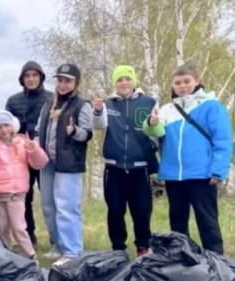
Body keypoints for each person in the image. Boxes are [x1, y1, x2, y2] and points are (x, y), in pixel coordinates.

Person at [143, 65, 232, 255]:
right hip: (174, 176)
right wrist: (151, 123)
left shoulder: (211, 106)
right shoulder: (167, 109)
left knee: (207, 221)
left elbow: (223, 140)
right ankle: (181, 257)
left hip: (202, 175)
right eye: (178, 83)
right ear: (172, 86)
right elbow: (156, 131)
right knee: (177, 222)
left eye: (186, 81)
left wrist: (218, 170)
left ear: (197, 81)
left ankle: (216, 260)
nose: (182, 86)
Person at [92, 65, 157, 257]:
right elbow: (98, 125)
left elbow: (157, 131)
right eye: (120, 80)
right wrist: (97, 110)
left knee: (142, 210)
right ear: (115, 83)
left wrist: (153, 140)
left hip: (139, 168)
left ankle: (143, 246)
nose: (124, 83)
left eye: (127, 79)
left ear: (133, 81)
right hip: (114, 167)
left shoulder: (149, 102)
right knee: (115, 210)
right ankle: (118, 249)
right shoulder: (108, 104)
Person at [36, 63, 96, 265]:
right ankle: (58, 245)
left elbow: (87, 134)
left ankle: (72, 251)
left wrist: (75, 132)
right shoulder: (48, 104)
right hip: (47, 163)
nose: (62, 84)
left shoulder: (82, 105)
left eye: (67, 81)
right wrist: (33, 146)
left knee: (66, 207)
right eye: (60, 80)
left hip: (69, 163)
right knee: (48, 206)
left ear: (76, 83)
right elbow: (39, 130)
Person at [0, 110, 49, 259]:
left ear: (13, 125)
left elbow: (40, 163)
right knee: (0, 227)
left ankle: (30, 254)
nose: (3, 130)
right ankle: (5, 255)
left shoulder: (23, 143)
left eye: (6, 125)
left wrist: (33, 149)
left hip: (17, 194)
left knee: (19, 227)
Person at [5, 61, 54, 245]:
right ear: (22, 79)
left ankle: (56, 239)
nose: (31, 79)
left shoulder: (51, 99)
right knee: (23, 198)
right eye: (27, 76)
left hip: (45, 156)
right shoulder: (13, 101)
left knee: (49, 198)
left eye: (35, 75)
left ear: (41, 77)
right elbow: (6, 129)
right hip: (21, 157)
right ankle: (28, 238)